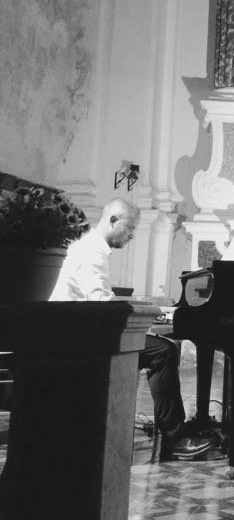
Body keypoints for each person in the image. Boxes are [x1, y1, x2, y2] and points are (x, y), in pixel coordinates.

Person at [49, 197, 213, 461]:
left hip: (81, 331)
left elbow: (101, 302)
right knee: (163, 351)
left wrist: (148, 310)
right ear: (113, 220)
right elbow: (103, 307)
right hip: (79, 338)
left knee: (162, 348)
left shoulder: (92, 248)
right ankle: (175, 438)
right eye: (130, 228)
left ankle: (176, 433)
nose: (132, 235)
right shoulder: (91, 253)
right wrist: (152, 312)